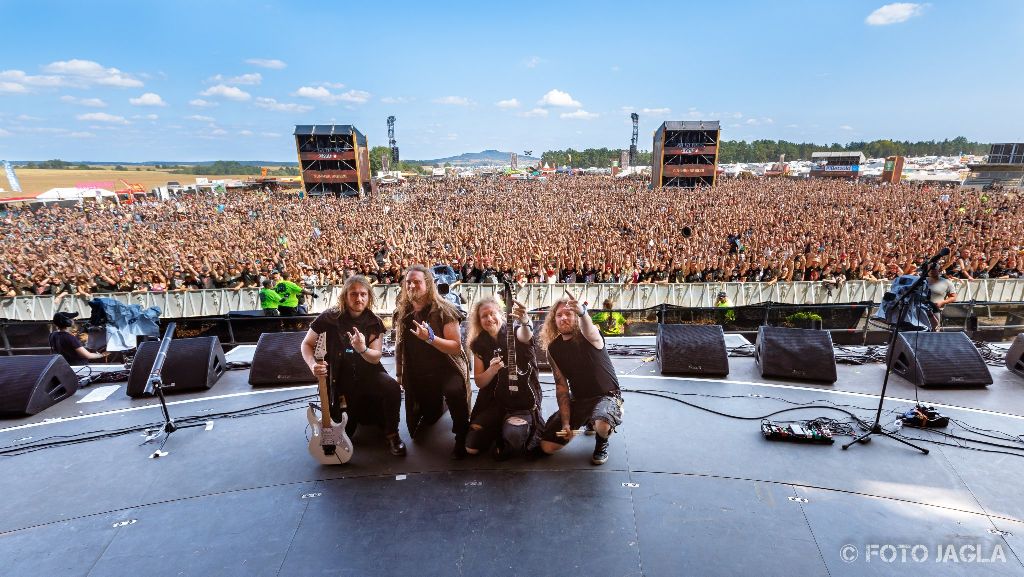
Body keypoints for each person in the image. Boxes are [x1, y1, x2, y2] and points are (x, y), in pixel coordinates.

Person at [300, 276, 406, 457]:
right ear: (345, 296)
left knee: (392, 388)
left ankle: (392, 435)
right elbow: (306, 344)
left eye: (363, 294)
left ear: (369, 296)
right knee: (346, 431)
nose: (359, 298)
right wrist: (312, 365)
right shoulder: (329, 318)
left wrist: (362, 348)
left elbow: (375, 357)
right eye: (354, 294)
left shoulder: (374, 321)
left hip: (369, 373)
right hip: (340, 378)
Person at [393, 265, 471, 459]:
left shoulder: (445, 310)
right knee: (429, 418)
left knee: (453, 391)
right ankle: (439, 404)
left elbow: (455, 347)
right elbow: (399, 347)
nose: (411, 286)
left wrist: (430, 338)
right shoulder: (402, 312)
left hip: (447, 369)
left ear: (428, 284)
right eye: (408, 282)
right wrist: (399, 375)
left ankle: (462, 435)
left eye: (417, 282)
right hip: (419, 373)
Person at [538, 292, 623, 465]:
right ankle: (588, 421)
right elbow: (561, 387)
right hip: (580, 400)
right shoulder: (553, 349)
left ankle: (602, 440)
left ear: (576, 317)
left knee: (603, 422)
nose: (563, 318)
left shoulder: (590, 335)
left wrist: (583, 313)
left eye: (568, 313)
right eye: (559, 315)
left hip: (607, 396)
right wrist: (566, 423)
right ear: (554, 320)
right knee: (547, 446)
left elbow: (588, 327)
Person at [466, 295, 543, 460]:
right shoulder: (478, 343)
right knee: (471, 447)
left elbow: (525, 335)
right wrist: (491, 371)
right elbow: (479, 382)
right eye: (484, 316)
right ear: (479, 321)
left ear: (500, 314)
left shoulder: (515, 332)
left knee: (515, 435)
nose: (489, 318)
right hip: (494, 398)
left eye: (492, 313)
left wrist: (525, 321)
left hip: (520, 395)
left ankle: (508, 432)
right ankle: (498, 430)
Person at [926, 265, 957, 331]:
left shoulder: (947, 282)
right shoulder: (923, 281)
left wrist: (942, 302)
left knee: (934, 331)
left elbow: (953, 297)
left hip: (936, 312)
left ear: (939, 270)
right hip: (922, 311)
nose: (931, 271)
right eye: (930, 269)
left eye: (934, 269)